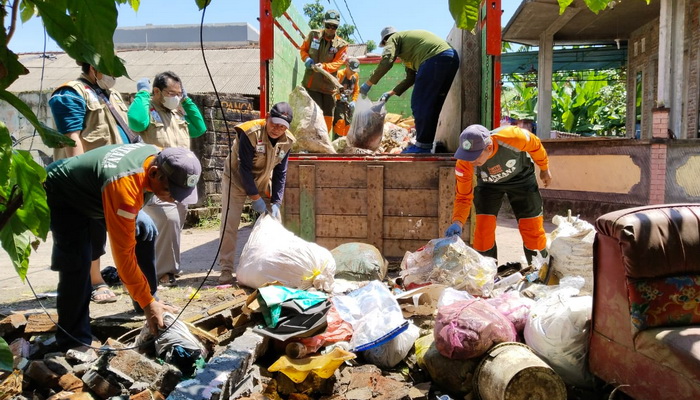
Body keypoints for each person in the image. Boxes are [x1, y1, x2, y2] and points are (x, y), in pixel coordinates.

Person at [45, 144, 201, 350]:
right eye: (171, 192)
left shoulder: (163, 157)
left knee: (146, 229)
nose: (174, 199)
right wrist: (147, 302)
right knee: (77, 262)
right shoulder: (125, 189)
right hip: (66, 193)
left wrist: (147, 299)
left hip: (100, 190)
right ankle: (74, 339)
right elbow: (123, 256)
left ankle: (147, 300)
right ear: (155, 174)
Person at [48, 61, 138, 304]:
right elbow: (71, 137)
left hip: (118, 174)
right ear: (92, 69)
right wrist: (79, 180)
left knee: (130, 229)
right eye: (109, 70)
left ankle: (133, 280)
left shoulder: (112, 94)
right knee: (91, 231)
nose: (113, 76)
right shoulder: (70, 93)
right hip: (91, 177)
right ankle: (95, 281)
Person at [127, 71, 207, 287]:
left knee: (172, 226)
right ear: (157, 91)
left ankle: (153, 268)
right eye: (171, 93)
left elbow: (200, 128)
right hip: (158, 180)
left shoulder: (178, 114)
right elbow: (135, 122)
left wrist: (187, 101)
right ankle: (165, 273)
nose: (176, 97)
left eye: (179, 93)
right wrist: (143, 95)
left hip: (181, 180)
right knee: (168, 221)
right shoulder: (149, 112)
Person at [445, 125, 553, 265]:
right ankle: (487, 274)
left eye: (475, 157)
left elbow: (536, 145)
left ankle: (540, 273)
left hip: (522, 179)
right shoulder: (465, 162)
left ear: (489, 148)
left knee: (532, 228)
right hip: (489, 184)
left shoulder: (513, 137)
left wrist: (544, 168)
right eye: (467, 156)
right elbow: (463, 196)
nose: (471, 161)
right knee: (483, 232)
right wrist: (457, 222)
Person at [217, 103, 296, 285]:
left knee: (276, 222)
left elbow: (281, 173)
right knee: (230, 223)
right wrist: (255, 198)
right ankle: (226, 269)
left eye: (282, 126)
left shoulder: (288, 140)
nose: (277, 129)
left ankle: (273, 267)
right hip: (236, 179)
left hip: (262, 179)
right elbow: (244, 168)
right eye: (274, 124)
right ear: (267, 117)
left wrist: (276, 201)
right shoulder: (250, 132)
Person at [359, 27, 460, 154]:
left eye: (385, 45)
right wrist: (390, 93)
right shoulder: (409, 53)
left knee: (419, 104)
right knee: (432, 106)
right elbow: (410, 78)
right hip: (450, 59)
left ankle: (422, 147)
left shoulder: (393, 38)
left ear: (386, 41)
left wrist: (368, 84)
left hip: (434, 59)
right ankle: (425, 146)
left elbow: (387, 61)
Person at [299, 9, 348, 132]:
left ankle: (323, 143)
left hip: (328, 87)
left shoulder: (341, 45)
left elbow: (338, 63)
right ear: (323, 23)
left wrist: (324, 67)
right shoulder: (313, 35)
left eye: (334, 26)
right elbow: (303, 50)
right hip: (311, 84)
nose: (331, 29)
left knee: (327, 116)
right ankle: (309, 143)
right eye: (328, 25)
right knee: (311, 114)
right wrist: (307, 59)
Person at [332, 57, 360, 139]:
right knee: (340, 122)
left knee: (348, 125)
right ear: (347, 65)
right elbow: (333, 89)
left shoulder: (355, 76)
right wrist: (339, 96)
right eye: (351, 69)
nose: (353, 72)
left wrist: (354, 101)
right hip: (338, 103)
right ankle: (337, 144)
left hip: (348, 104)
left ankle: (345, 147)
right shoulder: (340, 74)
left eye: (355, 70)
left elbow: (356, 90)